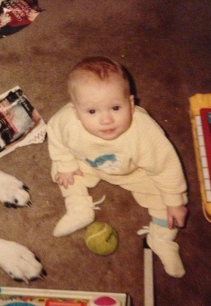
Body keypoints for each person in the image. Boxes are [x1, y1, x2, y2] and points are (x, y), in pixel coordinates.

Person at [47, 56, 188, 278]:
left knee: (168, 202)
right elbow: (55, 135)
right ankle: (78, 207)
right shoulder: (67, 122)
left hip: (136, 172)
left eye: (115, 107)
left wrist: (174, 201)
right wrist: (65, 165)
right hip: (89, 164)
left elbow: (165, 166)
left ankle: (160, 239)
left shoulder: (144, 133)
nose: (106, 120)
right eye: (92, 112)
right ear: (75, 111)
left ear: (131, 105)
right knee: (60, 169)